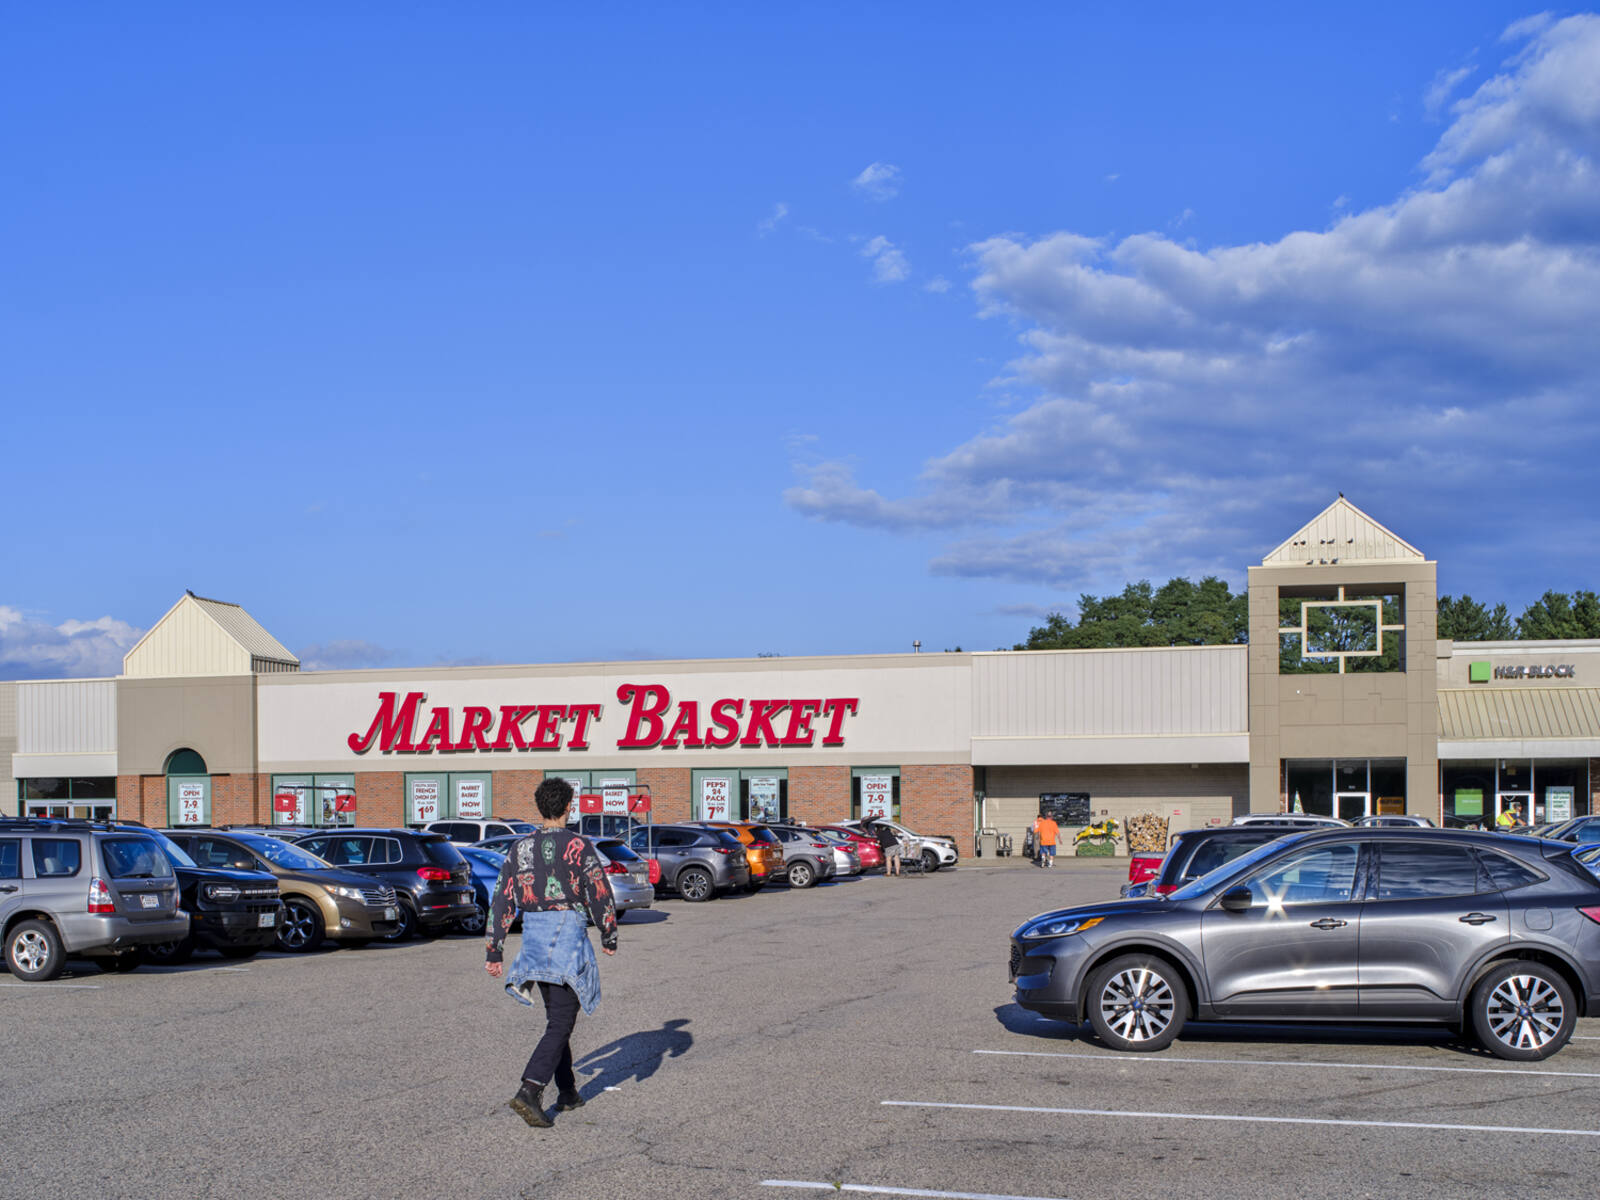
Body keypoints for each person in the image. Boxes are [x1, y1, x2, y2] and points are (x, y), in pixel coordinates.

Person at [485, 777, 618, 1128]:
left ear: (540, 807)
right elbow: (599, 892)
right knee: (562, 1020)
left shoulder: (519, 848)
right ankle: (530, 1089)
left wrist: (494, 950)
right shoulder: (578, 845)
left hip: (534, 938)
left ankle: (568, 1092)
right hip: (566, 936)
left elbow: (502, 898)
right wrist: (609, 934)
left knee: (557, 1017)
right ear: (568, 807)